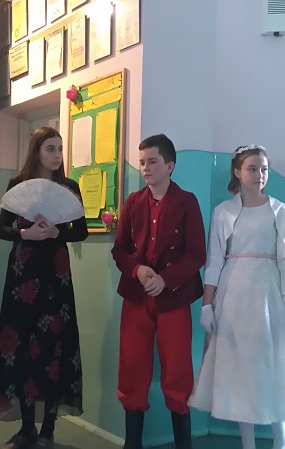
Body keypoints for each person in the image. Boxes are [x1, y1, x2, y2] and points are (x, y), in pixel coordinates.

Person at [188, 145, 285, 449]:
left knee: (273, 364)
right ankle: (248, 443)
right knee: (238, 369)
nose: (259, 174)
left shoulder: (281, 212)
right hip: (233, 298)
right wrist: (207, 305)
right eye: (252, 168)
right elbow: (215, 261)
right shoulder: (223, 212)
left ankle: (280, 440)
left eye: (264, 169)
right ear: (237, 172)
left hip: (268, 296)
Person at [0, 126, 88, 449]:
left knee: (54, 348)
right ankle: (27, 427)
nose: (57, 155)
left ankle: (48, 431)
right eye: (50, 149)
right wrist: (25, 234)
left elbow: (81, 230)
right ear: (37, 151)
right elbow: (1, 229)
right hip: (23, 276)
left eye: (60, 149)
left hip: (56, 276)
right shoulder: (17, 184)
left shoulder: (70, 187)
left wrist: (58, 233)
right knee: (21, 349)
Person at [111, 134, 206, 449]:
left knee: (178, 371)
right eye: (141, 162)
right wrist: (136, 270)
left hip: (173, 298)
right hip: (137, 297)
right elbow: (120, 251)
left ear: (170, 165)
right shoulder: (132, 202)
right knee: (132, 368)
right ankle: (132, 444)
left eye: (152, 161)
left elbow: (197, 254)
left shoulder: (187, 202)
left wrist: (165, 280)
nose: (145, 168)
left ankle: (183, 445)